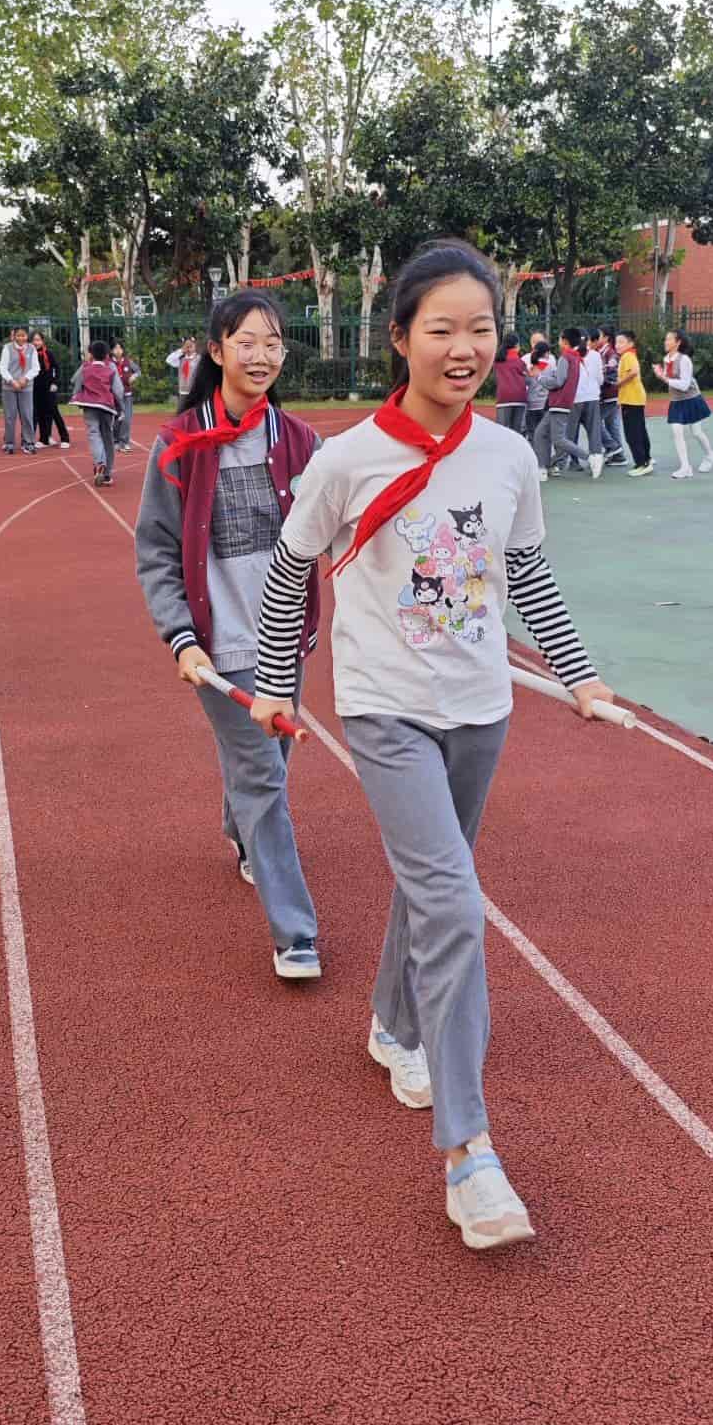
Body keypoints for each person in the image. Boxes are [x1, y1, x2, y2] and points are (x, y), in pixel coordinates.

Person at [251, 238, 612, 1251]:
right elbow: (288, 569)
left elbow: (525, 575)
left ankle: (392, 1023)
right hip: (385, 708)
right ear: (400, 338)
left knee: (431, 883)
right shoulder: (345, 460)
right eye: (442, 329)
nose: (464, 348)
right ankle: (469, 1153)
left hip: (481, 707)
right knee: (454, 903)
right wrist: (278, 684)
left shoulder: (508, 456)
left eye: (481, 329)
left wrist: (578, 674)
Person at [135, 290, 324, 983]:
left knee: (268, 760)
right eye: (247, 342)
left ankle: (239, 830)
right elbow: (156, 549)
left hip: (284, 638)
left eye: (273, 343)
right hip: (219, 648)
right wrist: (180, 637)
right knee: (263, 775)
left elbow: (340, 524)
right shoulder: (179, 444)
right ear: (216, 351)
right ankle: (296, 933)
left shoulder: (301, 443)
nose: (262, 355)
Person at [656, 332, 713, 480]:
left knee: (696, 432)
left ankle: (710, 455)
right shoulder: (666, 359)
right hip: (676, 400)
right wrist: (661, 372)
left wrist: (664, 378)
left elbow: (684, 385)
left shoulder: (684, 360)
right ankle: (685, 467)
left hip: (691, 399)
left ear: (678, 343)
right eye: (665, 339)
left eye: (669, 339)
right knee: (677, 432)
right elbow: (669, 377)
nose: (665, 341)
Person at [534, 333, 587, 482]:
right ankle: (545, 467)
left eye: (559, 338)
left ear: (564, 341)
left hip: (559, 402)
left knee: (558, 439)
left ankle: (589, 456)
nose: (557, 341)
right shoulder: (575, 357)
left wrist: (540, 378)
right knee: (540, 433)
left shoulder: (565, 357)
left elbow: (558, 381)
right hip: (561, 403)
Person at [71, 336, 124, 486]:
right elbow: (119, 391)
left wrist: (78, 396)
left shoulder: (86, 367)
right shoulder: (111, 367)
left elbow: (75, 381)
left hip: (90, 406)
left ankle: (99, 462)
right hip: (107, 407)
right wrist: (121, 408)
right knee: (107, 438)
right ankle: (107, 474)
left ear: (91, 354)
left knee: (94, 434)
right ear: (107, 354)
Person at [567, 329, 606, 478]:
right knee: (594, 431)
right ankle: (596, 462)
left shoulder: (569, 355)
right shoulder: (595, 355)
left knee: (571, 432)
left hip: (575, 398)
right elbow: (600, 379)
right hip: (592, 396)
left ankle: (573, 460)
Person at [614, 331, 653, 476]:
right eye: (616, 342)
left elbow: (634, 371)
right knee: (639, 431)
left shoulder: (627, 356)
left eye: (621, 342)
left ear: (630, 343)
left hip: (631, 399)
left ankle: (641, 463)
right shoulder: (629, 355)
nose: (617, 345)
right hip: (634, 398)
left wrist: (619, 383)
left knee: (632, 433)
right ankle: (646, 459)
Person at [0, 325, 39, 455]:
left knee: (27, 415)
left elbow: (35, 368)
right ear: (14, 336)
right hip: (9, 387)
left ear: (27, 336)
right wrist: (12, 381)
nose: (21, 338)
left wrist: (25, 379)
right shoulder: (7, 348)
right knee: (10, 416)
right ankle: (9, 443)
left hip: (26, 386)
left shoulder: (32, 349)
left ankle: (28, 442)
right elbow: (3, 368)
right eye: (18, 335)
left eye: (23, 335)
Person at [31, 333, 69, 449]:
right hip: (35, 388)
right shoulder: (29, 354)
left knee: (54, 411)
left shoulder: (48, 353)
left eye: (38, 340)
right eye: (34, 340)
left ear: (42, 341)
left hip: (49, 387)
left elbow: (56, 368)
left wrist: (55, 382)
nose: (36, 342)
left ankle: (65, 438)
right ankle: (44, 439)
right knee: (40, 413)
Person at [595, 327, 627, 465]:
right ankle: (619, 455)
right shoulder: (600, 352)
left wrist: (600, 377)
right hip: (608, 395)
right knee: (611, 424)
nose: (597, 338)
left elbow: (611, 373)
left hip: (610, 394)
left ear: (606, 338)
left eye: (599, 336)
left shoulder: (610, 353)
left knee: (595, 421)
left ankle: (613, 447)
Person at [492, 331, 528, 433]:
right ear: (516, 345)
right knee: (516, 431)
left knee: (501, 430)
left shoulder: (498, 361)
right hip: (520, 397)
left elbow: (495, 379)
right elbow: (527, 379)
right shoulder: (520, 362)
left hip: (504, 397)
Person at [111, 341, 142, 451]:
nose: (118, 350)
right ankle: (115, 441)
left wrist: (134, 376)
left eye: (120, 348)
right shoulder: (109, 363)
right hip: (114, 396)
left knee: (127, 419)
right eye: (115, 348)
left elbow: (138, 371)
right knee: (116, 419)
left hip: (127, 395)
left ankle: (124, 442)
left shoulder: (128, 361)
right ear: (111, 350)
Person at [523, 337, 552, 442]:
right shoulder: (549, 366)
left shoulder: (531, 368)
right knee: (544, 434)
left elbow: (526, 382)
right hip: (544, 404)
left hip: (531, 403)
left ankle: (532, 451)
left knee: (531, 433)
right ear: (546, 353)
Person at [165, 335, 199, 402]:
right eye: (186, 346)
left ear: (195, 346)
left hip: (195, 391)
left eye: (191, 345)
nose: (189, 348)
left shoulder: (199, 359)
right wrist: (181, 351)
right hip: (183, 392)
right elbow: (168, 360)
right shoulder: (181, 359)